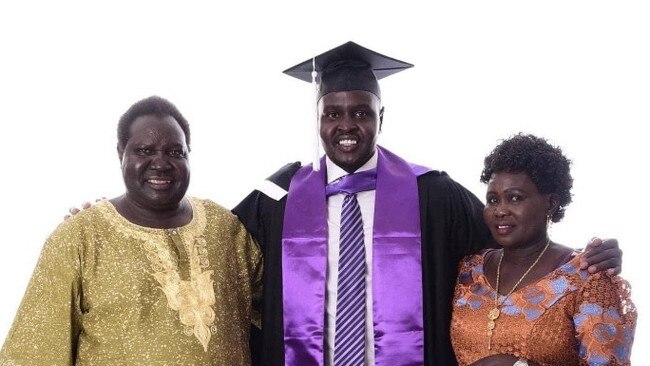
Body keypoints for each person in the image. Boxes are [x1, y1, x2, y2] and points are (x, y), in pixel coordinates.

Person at [231, 42, 622, 366]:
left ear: (381, 117)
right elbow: (218, 257)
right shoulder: (277, 199)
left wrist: (583, 262)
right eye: (332, 114)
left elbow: (512, 237)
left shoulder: (432, 194)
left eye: (361, 113)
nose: (346, 126)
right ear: (317, 118)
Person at [0, 96, 263, 365]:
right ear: (120, 153)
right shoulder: (80, 238)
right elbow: (33, 353)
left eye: (175, 152)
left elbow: (287, 307)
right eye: (145, 151)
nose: (160, 163)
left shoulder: (225, 228)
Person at [450, 133, 636, 365]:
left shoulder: (588, 279)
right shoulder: (468, 272)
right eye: (493, 200)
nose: (500, 211)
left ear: (550, 203)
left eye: (515, 198)